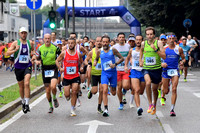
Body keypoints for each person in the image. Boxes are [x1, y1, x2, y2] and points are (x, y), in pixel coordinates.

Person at [5, 27, 35, 113]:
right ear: (19, 34)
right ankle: (22, 101)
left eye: (25, 33)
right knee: (21, 86)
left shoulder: (30, 43)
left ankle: (27, 103)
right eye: (22, 33)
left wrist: (33, 57)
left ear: (27, 34)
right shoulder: (15, 43)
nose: (24, 34)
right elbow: (7, 53)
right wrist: (15, 50)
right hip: (18, 67)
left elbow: (33, 52)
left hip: (27, 66)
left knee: (27, 83)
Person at [94, 35, 124, 117]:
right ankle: (106, 109)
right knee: (104, 90)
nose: (105, 43)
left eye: (106, 42)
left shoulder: (113, 50)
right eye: (103, 42)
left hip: (113, 73)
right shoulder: (99, 51)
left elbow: (122, 58)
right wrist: (95, 62)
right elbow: (96, 58)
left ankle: (114, 91)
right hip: (104, 73)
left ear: (109, 42)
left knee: (113, 93)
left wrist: (115, 64)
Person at [139, 27, 166, 115]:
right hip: (147, 68)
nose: (149, 36)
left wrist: (156, 50)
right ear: (146, 35)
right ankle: (150, 104)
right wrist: (140, 60)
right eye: (148, 34)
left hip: (157, 69)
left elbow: (164, 56)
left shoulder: (158, 43)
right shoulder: (143, 43)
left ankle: (154, 104)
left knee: (154, 89)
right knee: (147, 82)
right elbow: (141, 51)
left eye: (151, 34)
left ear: (154, 35)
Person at [56, 38, 84, 116]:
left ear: (75, 44)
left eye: (72, 43)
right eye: (69, 43)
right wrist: (60, 68)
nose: (70, 44)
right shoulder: (64, 53)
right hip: (66, 76)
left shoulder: (78, 54)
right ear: (67, 44)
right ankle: (69, 97)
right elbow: (57, 61)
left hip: (75, 76)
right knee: (67, 94)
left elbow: (82, 63)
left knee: (74, 91)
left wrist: (81, 67)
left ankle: (72, 109)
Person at [35, 33, 61, 113]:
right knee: (47, 90)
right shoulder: (40, 48)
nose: (47, 40)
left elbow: (61, 56)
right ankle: (50, 106)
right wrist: (37, 61)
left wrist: (59, 65)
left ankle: (54, 98)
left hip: (53, 68)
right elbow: (36, 57)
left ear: (51, 39)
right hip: (45, 69)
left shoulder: (55, 48)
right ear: (43, 39)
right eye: (45, 38)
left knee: (53, 87)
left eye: (48, 38)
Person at [161, 34, 185, 116]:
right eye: (169, 38)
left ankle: (172, 109)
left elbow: (184, 58)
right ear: (167, 40)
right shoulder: (164, 49)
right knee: (165, 91)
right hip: (165, 71)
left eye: (172, 38)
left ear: (175, 39)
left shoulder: (179, 49)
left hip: (175, 71)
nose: (171, 40)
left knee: (174, 89)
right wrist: (161, 64)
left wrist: (182, 62)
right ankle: (166, 88)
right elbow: (159, 60)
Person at [125, 35, 145, 116]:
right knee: (136, 89)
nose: (138, 41)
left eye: (140, 40)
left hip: (143, 71)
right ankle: (138, 108)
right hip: (134, 71)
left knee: (141, 91)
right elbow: (127, 58)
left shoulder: (145, 50)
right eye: (137, 40)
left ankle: (136, 103)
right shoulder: (131, 50)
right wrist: (126, 66)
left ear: (142, 41)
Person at [85, 36, 104, 113]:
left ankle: (99, 106)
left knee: (102, 90)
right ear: (95, 43)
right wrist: (88, 65)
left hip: (103, 74)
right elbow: (86, 60)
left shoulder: (104, 51)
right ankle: (91, 91)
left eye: (100, 41)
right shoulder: (92, 51)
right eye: (98, 41)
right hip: (94, 73)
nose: (99, 42)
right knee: (95, 91)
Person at [113, 32, 131, 110]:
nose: (121, 38)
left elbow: (130, 56)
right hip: (117, 69)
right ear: (117, 38)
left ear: (124, 38)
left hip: (126, 69)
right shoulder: (114, 47)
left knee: (126, 86)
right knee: (119, 87)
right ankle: (120, 103)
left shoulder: (128, 46)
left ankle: (124, 91)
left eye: (122, 37)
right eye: (120, 37)